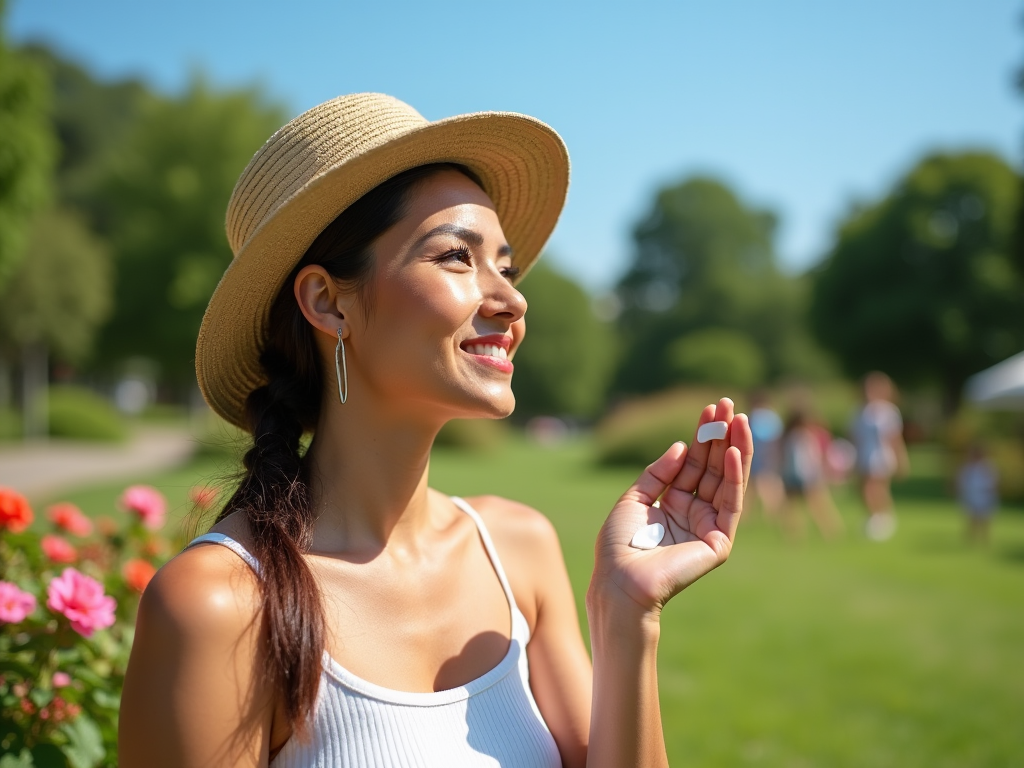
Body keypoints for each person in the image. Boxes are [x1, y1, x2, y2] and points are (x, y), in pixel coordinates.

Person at [118, 93, 754, 768]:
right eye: (456, 256)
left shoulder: (519, 551)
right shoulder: (219, 605)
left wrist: (627, 615)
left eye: (504, 267)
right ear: (328, 302)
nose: (512, 299)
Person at [851, 372, 909, 541]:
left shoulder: (889, 412)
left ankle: (881, 518)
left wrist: (901, 459)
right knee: (864, 489)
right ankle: (876, 516)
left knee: (876, 487)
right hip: (864, 454)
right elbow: (855, 436)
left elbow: (895, 438)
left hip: (881, 455)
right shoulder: (860, 411)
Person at [779, 410, 843, 540]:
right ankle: (795, 534)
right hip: (793, 475)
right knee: (792, 508)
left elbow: (814, 457)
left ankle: (830, 530)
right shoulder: (792, 437)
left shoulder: (806, 437)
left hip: (807, 476)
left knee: (817, 505)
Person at [748, 392, 784, 518]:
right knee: (770, 480)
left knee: (757, 482)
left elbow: (753, 434)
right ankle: (773, 508)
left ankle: (768, 510)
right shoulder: (773, 415)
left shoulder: (754, 416)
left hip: (757, 452)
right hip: (772, 451)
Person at [957, 444, 998, 545]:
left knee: (985, 519)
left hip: (985, 495)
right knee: (972, 518)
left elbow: (993, 481)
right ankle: (971, 540)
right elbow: (962, 480)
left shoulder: (988, 466)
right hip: (971, 495)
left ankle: (984, 540)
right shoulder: (968, 466)